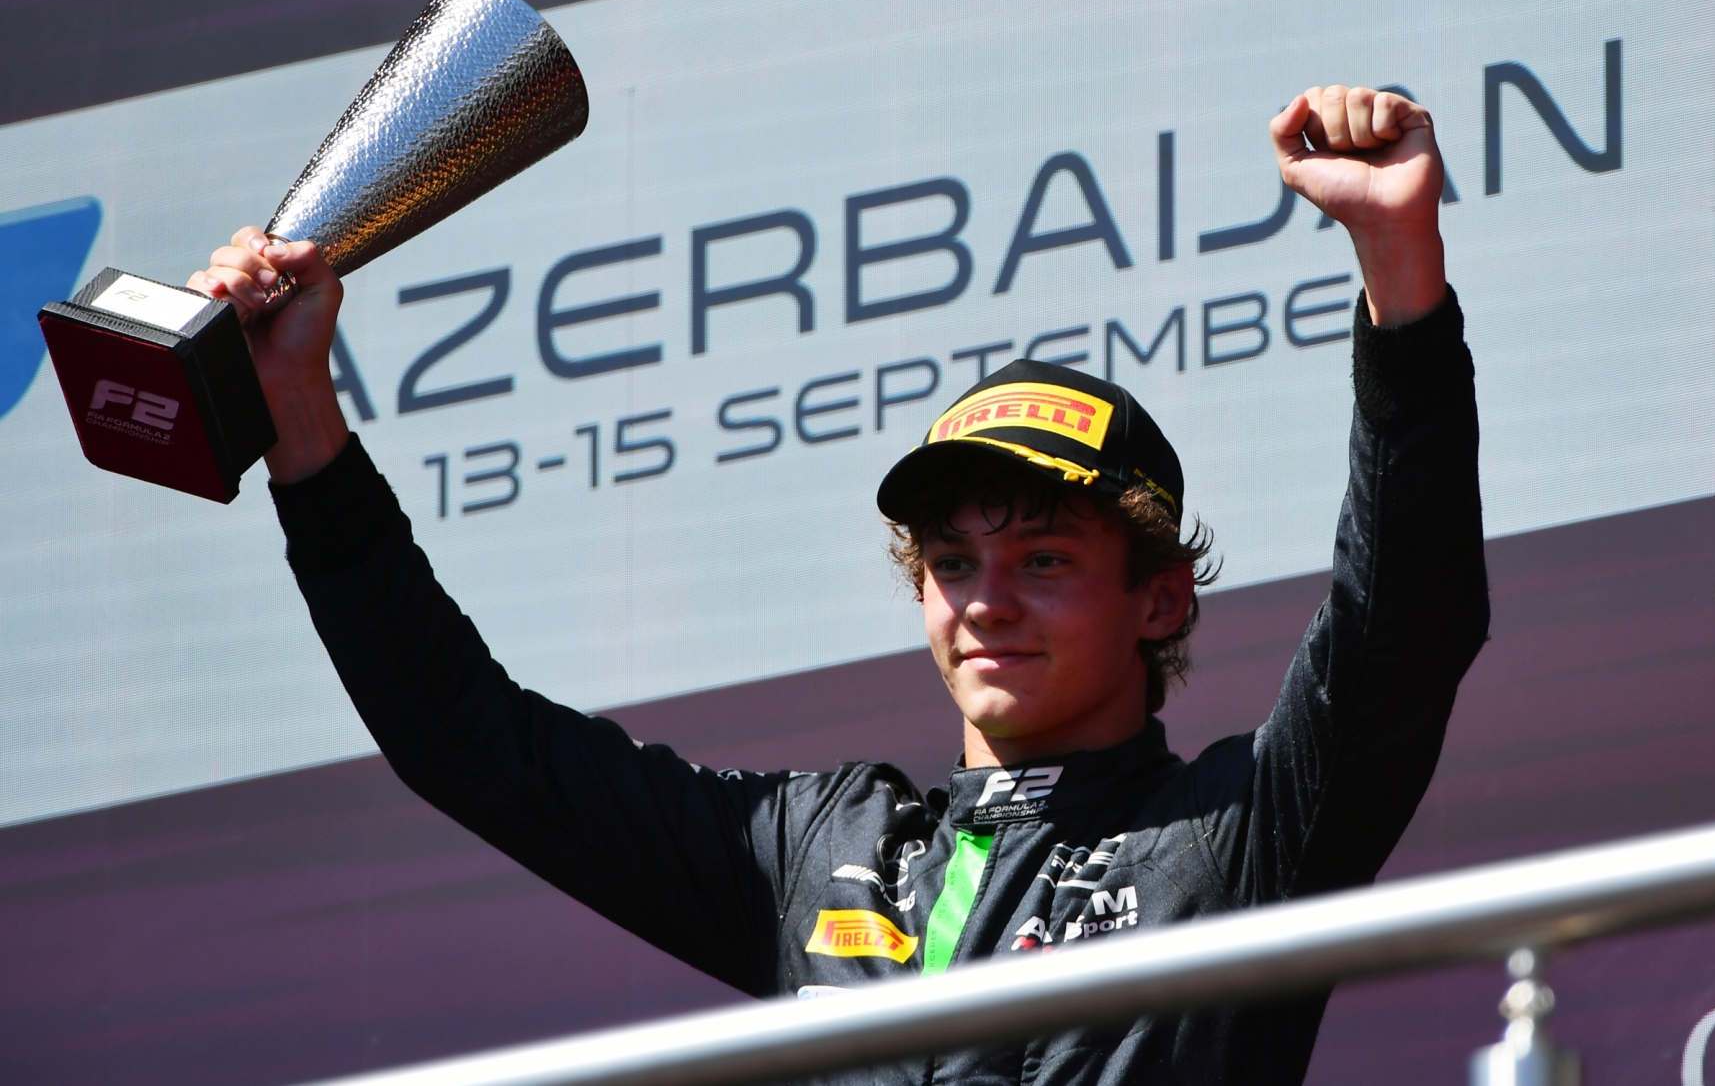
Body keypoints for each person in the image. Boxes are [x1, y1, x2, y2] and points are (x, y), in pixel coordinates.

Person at [188, 85, 1490, 1085]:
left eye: (1045, 559)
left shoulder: (1243, 829)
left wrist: (1398, 272)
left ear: (1160, 598)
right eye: (954, 562)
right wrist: (302, 422)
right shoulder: (823, 852)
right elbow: (473, 748)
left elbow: (1405, 621)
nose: (987, 599)